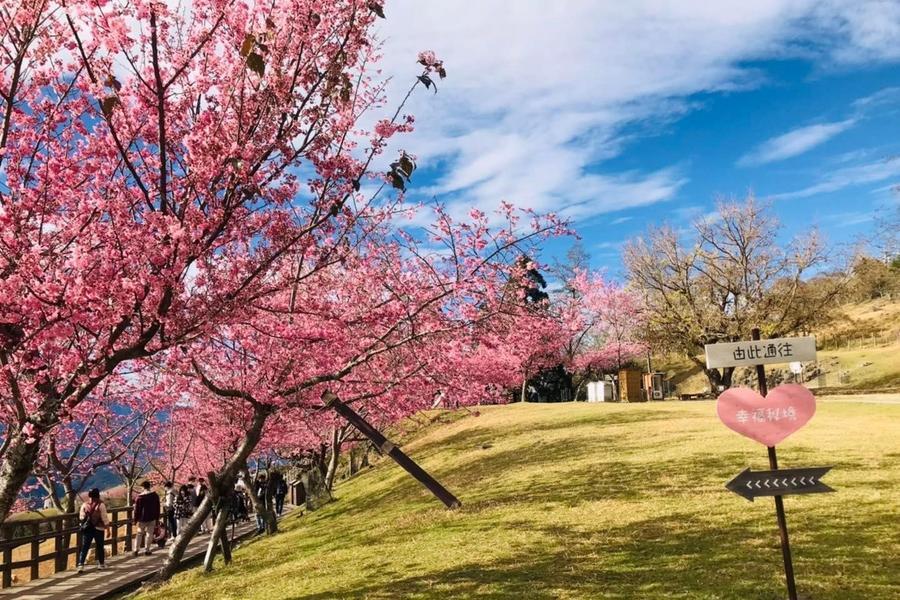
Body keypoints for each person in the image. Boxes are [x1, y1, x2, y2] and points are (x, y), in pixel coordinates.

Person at [76, 488, 110, 573]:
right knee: (99, 546)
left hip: (87, 529)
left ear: (89, 495)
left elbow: (81, 518)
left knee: (85, 547)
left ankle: (80, 565)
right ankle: (101, 564)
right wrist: (108, 529)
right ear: (98, 495)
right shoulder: (101, 505)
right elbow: (104, 518)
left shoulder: (84, 505)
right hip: (98, 528)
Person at [133, 480, 161, 556]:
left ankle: (136, 549)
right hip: (152, 517)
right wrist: (157, 518)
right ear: (149, 486)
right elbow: (158, 507)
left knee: (139, 534)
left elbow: (137, 510)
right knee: (149, 534)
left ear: (143, 487)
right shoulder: (155, 495)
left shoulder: (140, 497)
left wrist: (135, 519)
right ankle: (147, 550)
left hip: (142, 518)